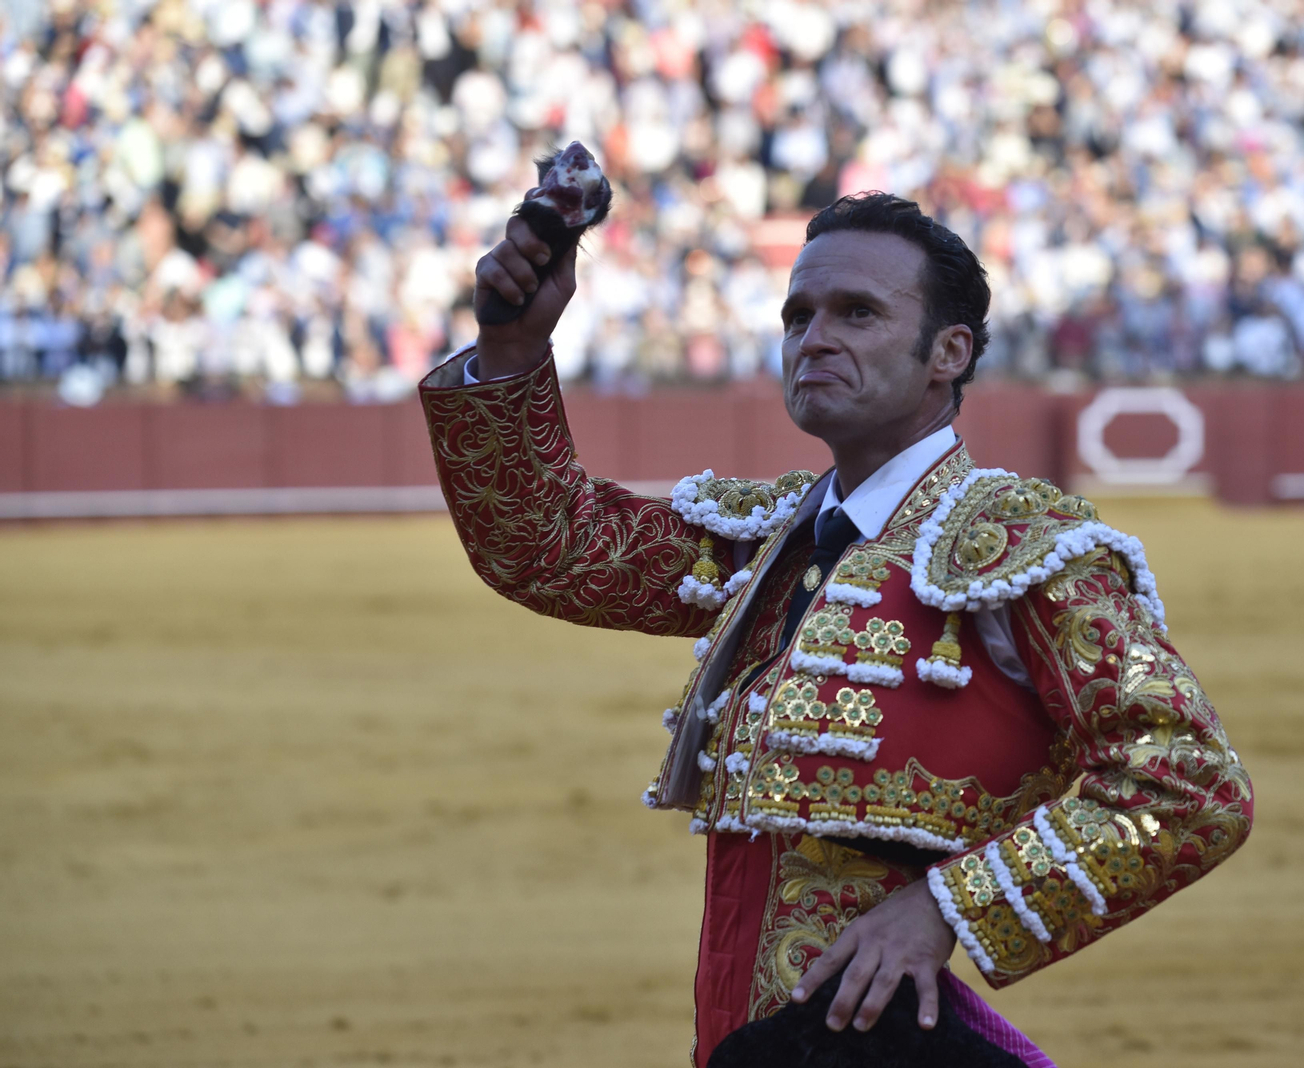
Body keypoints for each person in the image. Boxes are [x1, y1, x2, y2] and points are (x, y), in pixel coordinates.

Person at [418, 192, 1253, 1065]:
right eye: (799, 315)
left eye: (858, 313)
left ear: (948, 352)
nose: (814, 337)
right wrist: (514, 348)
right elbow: (551, 547)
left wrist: (948, 909)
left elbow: (1191, 781)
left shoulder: (1022, 548)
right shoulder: (773, 540)